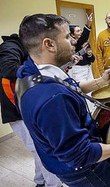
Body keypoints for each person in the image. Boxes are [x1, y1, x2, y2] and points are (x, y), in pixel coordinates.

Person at [16, 14, 110, 187]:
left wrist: (101, 81)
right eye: (67, 36)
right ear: (49, 44)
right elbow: (80, 154)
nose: (73, 41)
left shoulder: (32, 72)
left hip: (59, 163)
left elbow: (70, 86)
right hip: (86, 172)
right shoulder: (53, 98)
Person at [0, 34, 62, 187]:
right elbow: (8, 69)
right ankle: (53, 185)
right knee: (43, 150)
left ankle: (40, 181)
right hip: (17, 110)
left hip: (26, 107)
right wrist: (41, 71)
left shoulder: (27, 49)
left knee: (38, 148)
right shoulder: (10, 46)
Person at [69, 13, 96, 112]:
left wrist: (89, 55)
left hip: (88, 68)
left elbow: (92, 59)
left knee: (93, 89)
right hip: (79, 70)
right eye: (78, 31)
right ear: (72, 34)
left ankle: (93, 109)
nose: (80, 32)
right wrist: (88, 25)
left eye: (81, 30)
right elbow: (83, 38)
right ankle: (87, 111)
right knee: (84, 91)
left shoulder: (84, 44)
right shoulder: (72, 44)